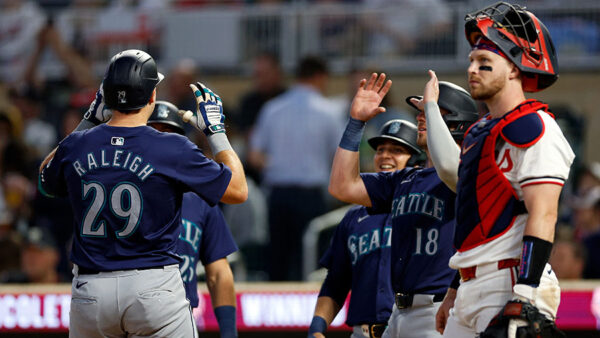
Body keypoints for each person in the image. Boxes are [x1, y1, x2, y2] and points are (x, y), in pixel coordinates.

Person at [38, 49, 247, 338]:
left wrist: (89, 119)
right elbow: (238, 190)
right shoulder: (171, 146)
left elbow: (44, 179)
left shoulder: (77, 145)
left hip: (91, 290)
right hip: (152, 285)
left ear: (107, 96)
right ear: (151, 96)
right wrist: (216, 131)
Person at [422, 3, 575, 337]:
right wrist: (453, 289)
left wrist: (525, 294)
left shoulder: (536, 125)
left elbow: (544, 214)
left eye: (485, 63)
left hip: (510, 281)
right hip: (469, 284)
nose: (472, 70)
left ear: (515, 69)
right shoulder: (481, 130)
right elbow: (474, 222)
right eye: (472, 62)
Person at [328, 73, 479, 338]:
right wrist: (356, 123)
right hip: (398, 313)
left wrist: (431, 106)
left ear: (455, 120)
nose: (421, 116)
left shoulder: (467, 171)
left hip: (439, 308)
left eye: (430, 109)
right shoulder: (405, 178)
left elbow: (448, 166)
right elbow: (342, 186)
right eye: (421, 110)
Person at [308, 119, 422, 338]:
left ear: (417, 161)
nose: (385, 155)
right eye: (380, 150)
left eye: (397, 150)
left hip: (410, 329)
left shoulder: (425, 212)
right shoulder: (353, 217)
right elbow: (336, 281)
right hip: (362, 333)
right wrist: (317, 326)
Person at [147, 100, 239, 338]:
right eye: (153, 131)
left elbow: (219, 272)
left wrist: (229, 332)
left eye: (168, 133)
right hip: (133, 311)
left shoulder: (200, 200)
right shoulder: (127, 189)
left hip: (180, 317)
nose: (161, 139)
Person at [248, 55, 342, 281]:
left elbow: (254, 156)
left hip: (278, 194)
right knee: (310, 263)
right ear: (321, 77)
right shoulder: (329, 111)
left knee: (277, 262)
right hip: (311, 196)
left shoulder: (272, 108)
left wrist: (278, 165)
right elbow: (341, 155)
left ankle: (272, 314)